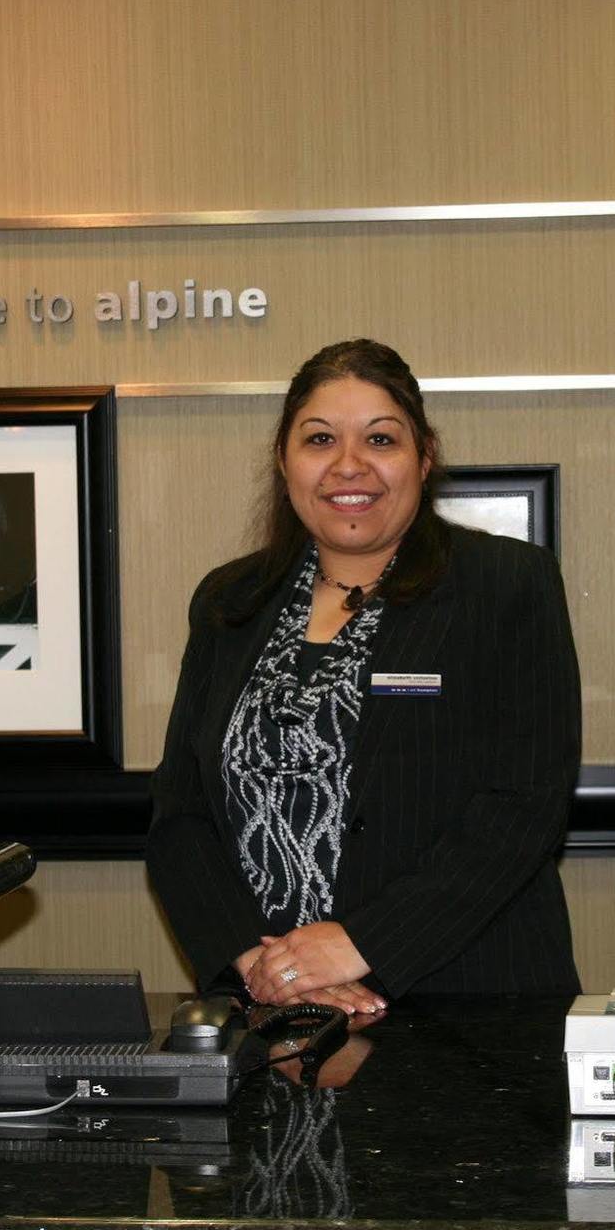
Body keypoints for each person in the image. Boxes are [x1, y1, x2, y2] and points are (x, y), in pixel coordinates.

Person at [146, 338, 582, 1014]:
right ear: (284, 461)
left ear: (424, 455)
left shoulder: (507, 587)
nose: (350, 465)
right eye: (319, 439)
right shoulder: (230, 602)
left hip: (471, 1007)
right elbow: (181, 818)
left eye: (381, 438)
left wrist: (359, 944)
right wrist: (262, 963)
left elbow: (523, 807)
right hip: (269, 1008)